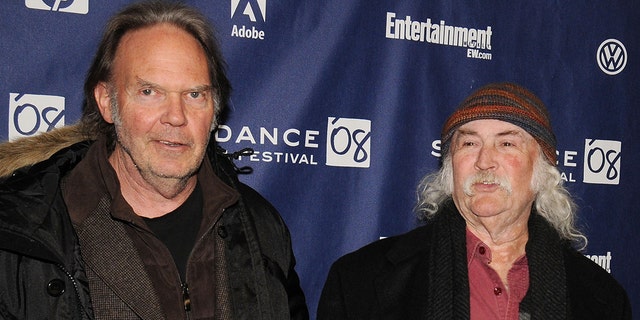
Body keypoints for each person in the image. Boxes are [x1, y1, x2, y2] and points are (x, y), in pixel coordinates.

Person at [0, 1, 308, 319]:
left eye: (194, 94)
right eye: (150, 92)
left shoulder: (260, 227)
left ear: (214, 108)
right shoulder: (22, 238)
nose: (175, 117)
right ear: (107, 101)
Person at [317, 82, 631, 319]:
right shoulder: (359, 280)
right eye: (468, 143)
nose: (484, 161)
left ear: (543, 170)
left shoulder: (601, 297)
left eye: (506, 143)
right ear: (449, 167)